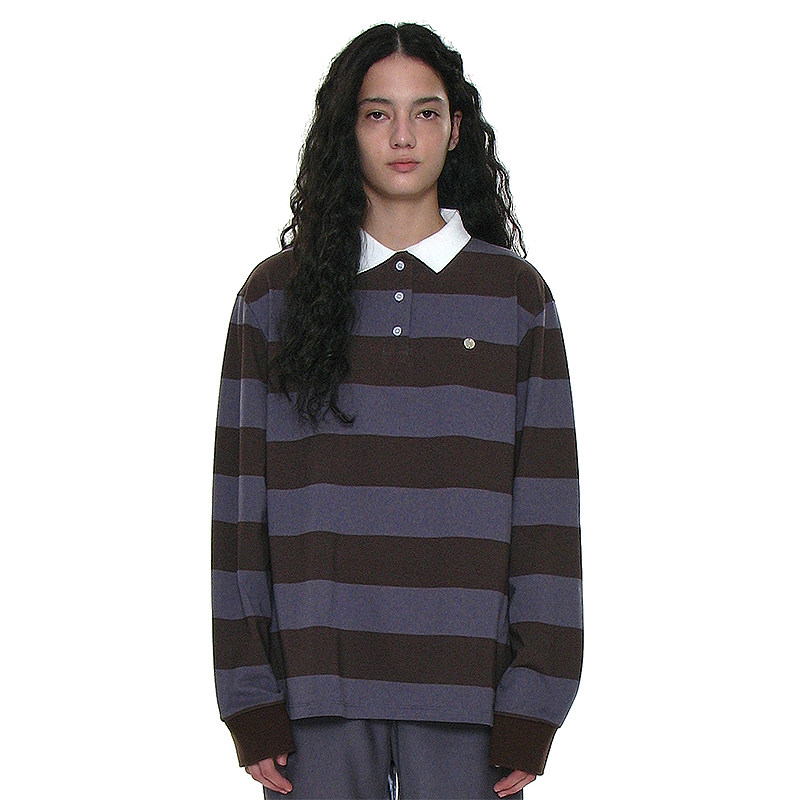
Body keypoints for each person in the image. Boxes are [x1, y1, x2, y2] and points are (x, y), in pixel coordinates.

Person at [211, 21, 583, 800]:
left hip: (470, 697)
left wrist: (534, 702)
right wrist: (250, 697)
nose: (403, 135)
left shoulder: (515, 298)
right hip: (314, 695)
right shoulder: (274, 297)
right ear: (346, 131)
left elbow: (547, 514)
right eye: (377, 113)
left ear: (457, 129)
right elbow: (239, 513)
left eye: (426, 112)